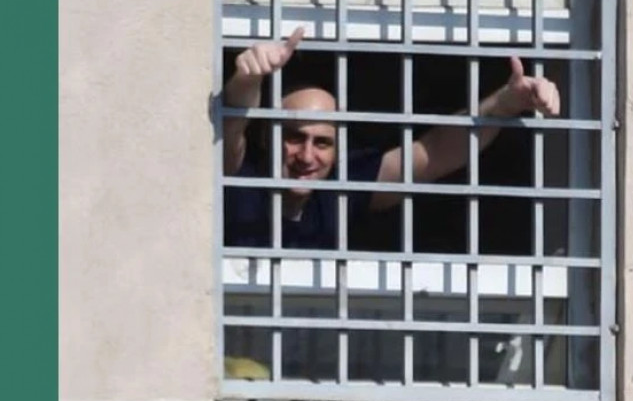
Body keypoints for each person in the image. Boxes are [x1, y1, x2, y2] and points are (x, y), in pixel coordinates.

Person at [223, 27, 561, 249]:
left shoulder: (340, 191)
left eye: (322, 142)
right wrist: (248, 78)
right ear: (266, 137)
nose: (307, 156)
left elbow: (435, 151)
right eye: (295, 137)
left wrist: (504, 104)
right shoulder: (239, 176)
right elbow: (232, 126)